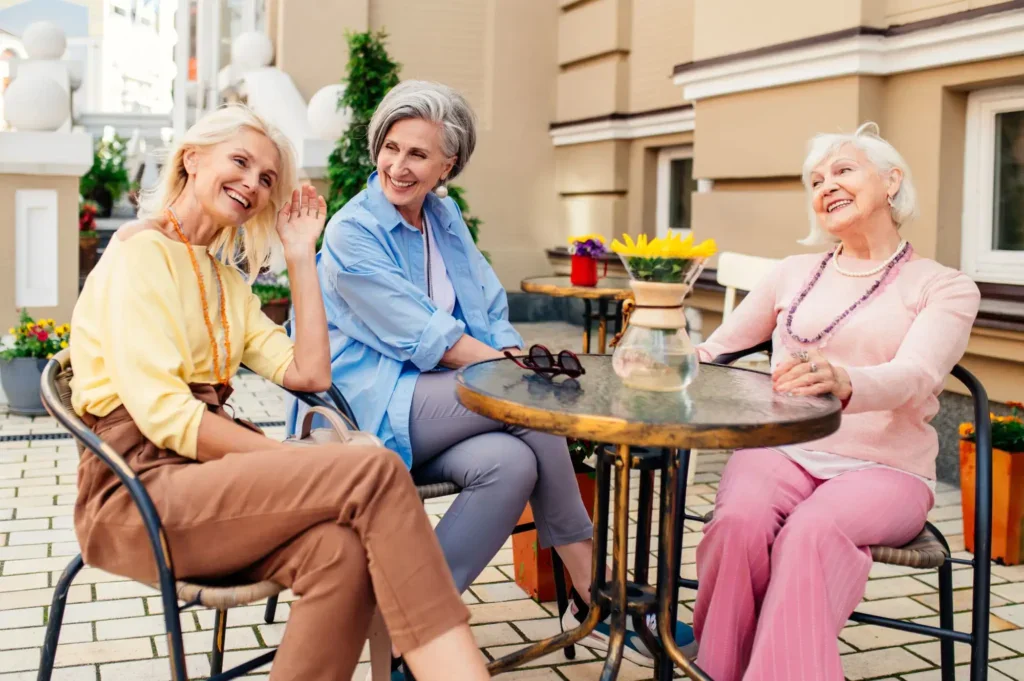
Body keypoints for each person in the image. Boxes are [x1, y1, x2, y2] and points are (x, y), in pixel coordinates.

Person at [69, 104, 490, 681]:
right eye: (240, 162)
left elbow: (310, 374)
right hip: (138, 493)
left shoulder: (223, 280)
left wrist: (299, 255)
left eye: (267, 178)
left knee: (340, 554)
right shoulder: (138, 253)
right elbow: (166, 417)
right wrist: (295, 459)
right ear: (192, 158)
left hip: (201, 483)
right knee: (374, 470)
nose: (253, 184)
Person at [291, 80, 694, 667]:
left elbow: (486, 310)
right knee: (531, 404)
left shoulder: (444, 214)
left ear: (447, 164)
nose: (398, 166)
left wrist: (511, 355)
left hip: (436, 409)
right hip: (368, 407)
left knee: (511, 464)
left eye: (418, 154)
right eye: (391, 147)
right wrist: (520, 370)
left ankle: (410, 630)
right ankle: (596, 587)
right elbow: (432, 339)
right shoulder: (355, 232)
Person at [690, 122, 981, 681]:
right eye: (816, 180)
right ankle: (719, 670)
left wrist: (847, 382)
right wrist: (658, 350)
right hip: (783, 449)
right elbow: (715, 351)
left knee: (811, 531)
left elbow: (918, 373)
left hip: (885, 467)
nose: (826, 186)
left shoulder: (942, 285)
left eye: (843, 171)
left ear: (892, 181)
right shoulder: (792, 273)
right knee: (738, 521)